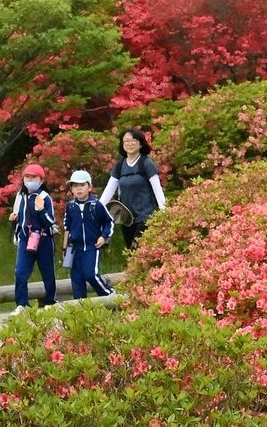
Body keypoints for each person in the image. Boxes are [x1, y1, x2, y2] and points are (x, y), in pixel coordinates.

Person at [100, 126, 165, 247]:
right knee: (130, 253)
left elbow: (158, 190)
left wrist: (164, 214)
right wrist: (97, 209)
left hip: (146, 217)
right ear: (122, 145)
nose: (130, 144)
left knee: (138, 250)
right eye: (127, 141)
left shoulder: (146, 163)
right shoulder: (120, 165)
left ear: (140, 144)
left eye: (134, 140)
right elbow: (109, 189)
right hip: (127, 218)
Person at [9, 163, 58, 313]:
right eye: (27, 177)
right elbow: (21, 218)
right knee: (20, 273)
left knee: (47, 271)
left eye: (34, 177)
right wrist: (14, 219)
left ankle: (51, 301)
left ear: (41, 180)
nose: (30, 180)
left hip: (43, 239)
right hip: (25, 239)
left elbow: (50, 221)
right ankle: (21, 304)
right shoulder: (21, 196)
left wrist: (41, 209)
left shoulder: (45, 197)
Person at [63, 170, 115, 299]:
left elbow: (109, 222)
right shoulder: (70, 206)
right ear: (71, 189)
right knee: (76, 278)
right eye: (75, 186)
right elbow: (67, 227)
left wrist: (104, 236)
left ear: (89, 187)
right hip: (75, 248)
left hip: (92, 246)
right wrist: (65, 248)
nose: (78, 189)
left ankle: (109, 294)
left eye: (82, 185)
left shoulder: (96, 205)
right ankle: (80, 306)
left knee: (91, 274)